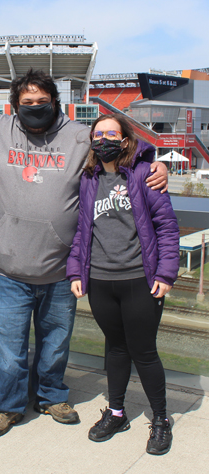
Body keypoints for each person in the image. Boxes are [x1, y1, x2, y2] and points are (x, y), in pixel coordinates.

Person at [0, 70, 168, 438]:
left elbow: (122, 144)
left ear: (55, 102)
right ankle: (7, 407)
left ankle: (52, 396)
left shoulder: (77, 135)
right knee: (9, 346)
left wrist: (159, 164)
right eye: (27, 104)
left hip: (61, 269)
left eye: (43, 102)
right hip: (10, 266)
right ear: (15, 106)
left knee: (55, 343)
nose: (35, 109)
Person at [66, 113, 179, 455]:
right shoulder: (88, 179)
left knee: (143, 352)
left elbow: (167, 228)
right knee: (114, 348)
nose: (103, 140)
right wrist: (75, 272)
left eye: (110, 134)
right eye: (97, 134)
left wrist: (165, 274)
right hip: (100, 280)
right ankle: (116, 412)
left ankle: (160, 419)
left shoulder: (145, 175)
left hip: (139, 281)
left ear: (126, 140)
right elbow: (82, 231)